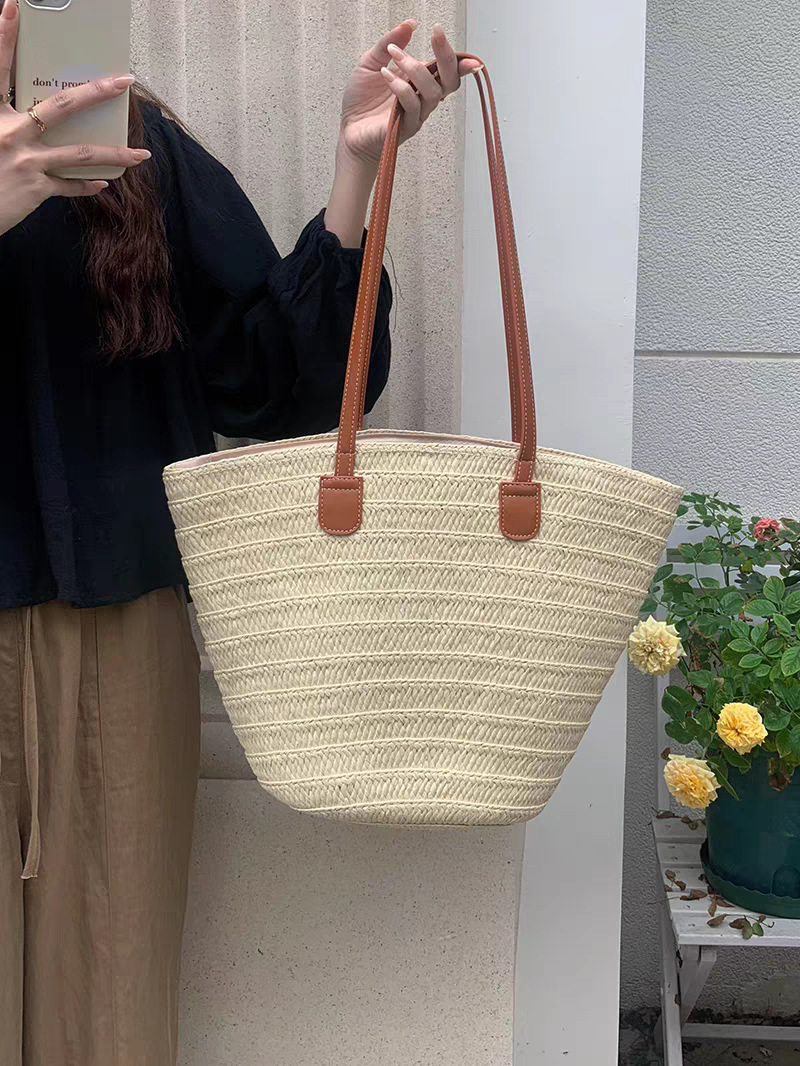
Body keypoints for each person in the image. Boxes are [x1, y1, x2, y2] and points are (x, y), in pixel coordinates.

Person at [0, 3, 480, 1062]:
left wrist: (358, 167)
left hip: (115, 632)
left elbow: (273, 383)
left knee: (111, 999)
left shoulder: (133, 150)